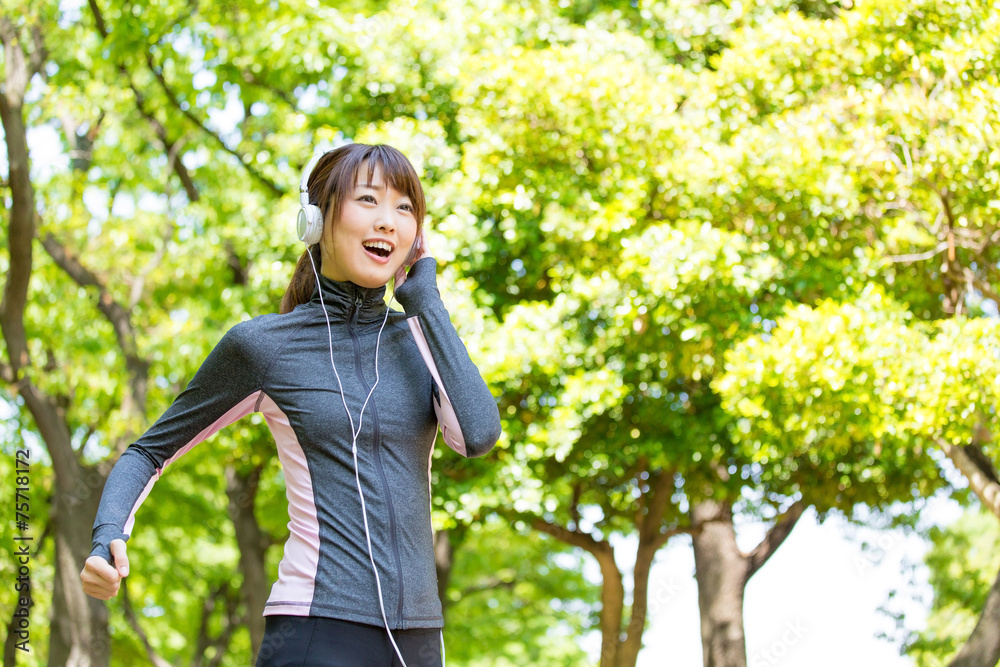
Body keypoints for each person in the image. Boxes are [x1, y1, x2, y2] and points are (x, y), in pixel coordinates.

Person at [79, 143, 502, 666]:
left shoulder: (421, 339)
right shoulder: (264, 347)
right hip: (315, 630)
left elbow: (478, 435)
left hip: (420, 640)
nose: (388, 222)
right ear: (315, 220)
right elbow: (149, 452)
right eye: (368, 200)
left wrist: (425, 299)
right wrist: (107, 538)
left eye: (405, 208)